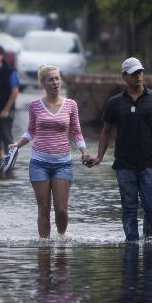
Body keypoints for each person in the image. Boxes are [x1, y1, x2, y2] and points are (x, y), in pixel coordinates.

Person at [86, 57, 152, 241]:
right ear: (124, 77)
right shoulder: (115, 102)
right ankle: (132, 242)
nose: (138, 76)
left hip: (150, 163)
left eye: (140, 72)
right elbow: (106, 131)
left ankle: (149, 239)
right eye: (134, 74)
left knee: (151, 206)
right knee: (129, 206)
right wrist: (99, 157)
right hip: (124, 164)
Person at [11, 65, 90, 238]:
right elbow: (32, 131)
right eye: (50, 79)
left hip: (63, 163)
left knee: (61, 209)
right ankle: (44, 247)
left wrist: (83, 152)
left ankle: (61, 239)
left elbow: (76, 132)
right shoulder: (35, 106)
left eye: (57, 78)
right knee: (44, 208)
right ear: (43, 83)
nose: (55, 82)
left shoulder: (71, 105)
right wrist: (18, 144)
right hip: (39, 163)